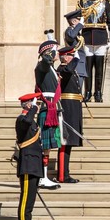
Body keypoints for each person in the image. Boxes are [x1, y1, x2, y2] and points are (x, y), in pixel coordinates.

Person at [14, 93, 45, 220]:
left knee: (29, 204)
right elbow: (26, 121)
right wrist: (32, 109)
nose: (38, 106)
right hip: (27, 166)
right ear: (28, 105)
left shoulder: (31, 122)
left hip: (34, 167)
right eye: (35, 103)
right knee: (26, 204)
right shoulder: (22, 119)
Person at [34, 32, 62, 189]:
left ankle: (44, 177)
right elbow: (45, 60)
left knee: (48, 147)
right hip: (47, 109)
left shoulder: (51, 68)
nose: (57, 54)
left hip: (52, 109)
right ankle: (42, 177)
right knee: (44, 145)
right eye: (55, 51)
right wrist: (51, 46)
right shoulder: (42, 66)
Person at [55, 44, 85, 184]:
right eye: (71, 55)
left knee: (69, 143)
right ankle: (62, 175)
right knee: (65, 142)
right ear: (65, 57)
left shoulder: (69, 69)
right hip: (67, 109)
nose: (73, 58)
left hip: (73, 108)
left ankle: (65, 173)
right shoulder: (63, 69)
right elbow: (67, 71)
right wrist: (75, 60)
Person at [63, 9, 89, 81]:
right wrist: (79, 25)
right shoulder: (69, 31)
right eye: (79, 20)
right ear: (74, 21)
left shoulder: (77, 33)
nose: (82, 23)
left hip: (80, 67)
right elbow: (71, 37)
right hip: (76, 66)